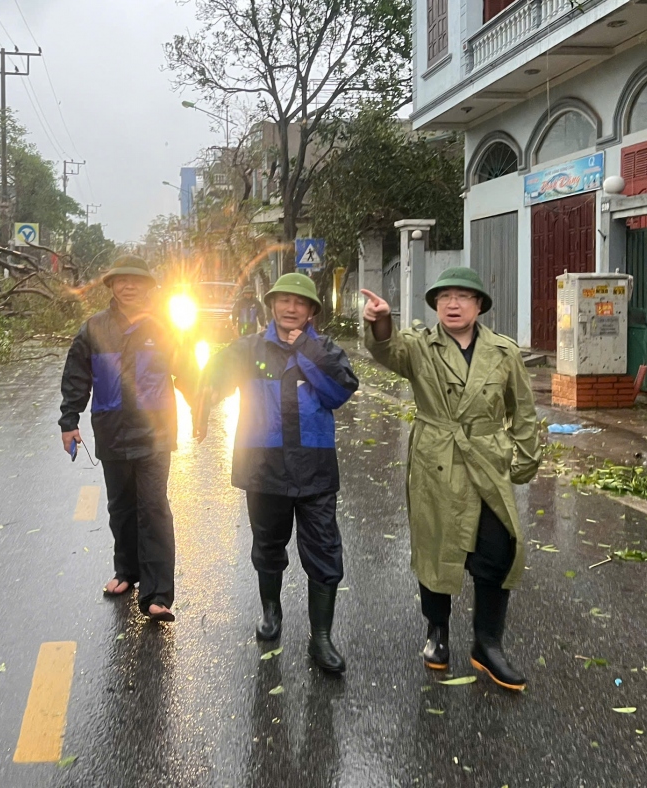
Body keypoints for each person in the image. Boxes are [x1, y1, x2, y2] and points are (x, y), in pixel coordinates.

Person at [361, 267, 540, 691]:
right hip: (436, 460)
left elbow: (524, 411)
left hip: (486, 462)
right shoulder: (421, 346)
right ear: (436, 306)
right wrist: (381, 320)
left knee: (497, 551)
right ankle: (437, 632)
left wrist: (525, 460)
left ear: (479, 306)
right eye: (445, 298)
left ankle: (487, 644)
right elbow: (387, 350)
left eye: (462, 297)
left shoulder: (504, 352)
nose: (453, 304)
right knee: (437, 549)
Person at [196, 272, 359, 673]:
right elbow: (212, 377)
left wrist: (305, 350)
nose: (290, 308)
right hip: (263, 467)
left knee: (323, 552)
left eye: (299, 303)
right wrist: (202, 403)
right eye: (283, 301)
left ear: (311, 311)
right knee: (268, 546)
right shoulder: (248, 348)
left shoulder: (325, 350)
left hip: (315, 469)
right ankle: (271, 611)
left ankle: (321, 637)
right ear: (272, 305)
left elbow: (339, 392)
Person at [59, 255, 194, 622]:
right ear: (112, 286)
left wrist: (201, 409)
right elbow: (76, 377)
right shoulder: (94, 329)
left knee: (153, 508)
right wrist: (68, 421)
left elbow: (187, 372)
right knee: (121, 508)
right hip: (112, 431)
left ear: (148, 286)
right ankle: (126, 572)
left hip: (155, 434)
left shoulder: (165, 327)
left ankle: (158, 593)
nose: (128, 286)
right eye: (121, 280)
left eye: (136, 280)